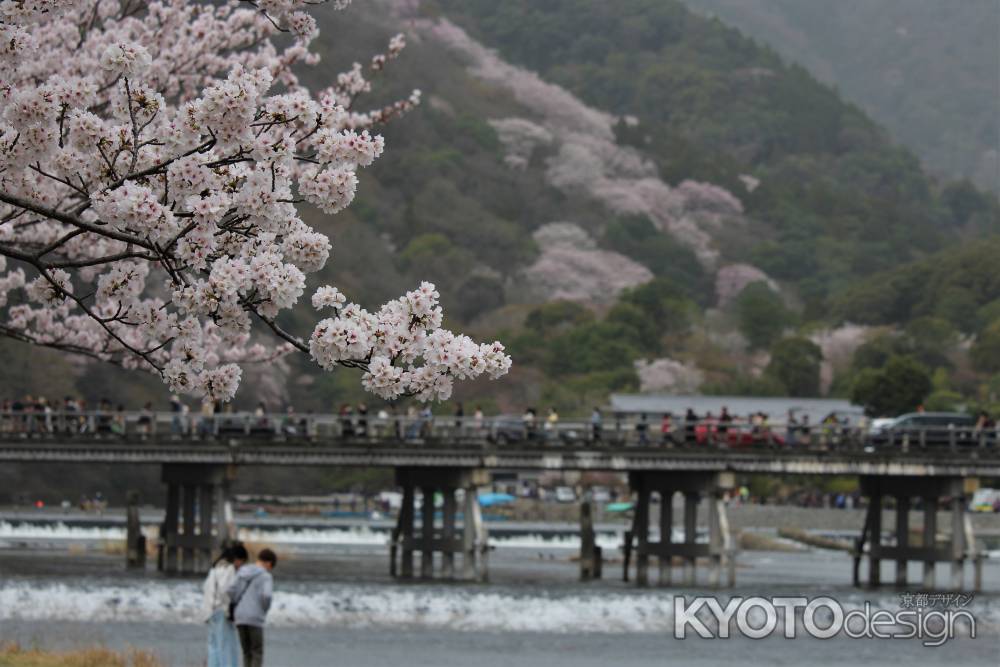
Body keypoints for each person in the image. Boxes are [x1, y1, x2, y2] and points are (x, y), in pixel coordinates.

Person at [228, 548, 277, 667]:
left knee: (246, 652)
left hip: (240, 616)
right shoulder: (266, 576)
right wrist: (263, 610)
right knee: (257, 652)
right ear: (269, 563)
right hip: (255, 618)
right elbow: (267, 596)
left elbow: (230, 590)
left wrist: (236, 604)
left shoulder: (242, 571)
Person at [203, 544, 247, 667]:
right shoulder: (229, 569)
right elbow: (226, 591)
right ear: (237, 559)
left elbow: (207, 590)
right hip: (222, 612)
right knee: (226, 648)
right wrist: (231, 611)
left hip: (210, 612)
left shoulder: (215, 568)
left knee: (213, 647)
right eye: (242, 562)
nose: (241, 566)